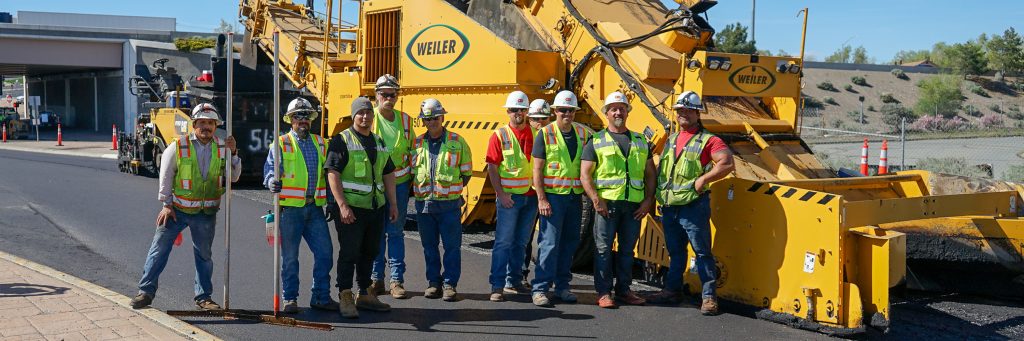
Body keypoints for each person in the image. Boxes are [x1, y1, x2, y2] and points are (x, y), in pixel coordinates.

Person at [131, 103, 240, 310]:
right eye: (202, 123)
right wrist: (166, 204)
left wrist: (234, 154)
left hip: (206, 213)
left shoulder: (223, 147)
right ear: (194, 124)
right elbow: (166, 175)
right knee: (159, 250)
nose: (206, 127)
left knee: (204, 256)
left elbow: (233, 176)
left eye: (210, 123)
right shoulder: (178, 146)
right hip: (176, 210)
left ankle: (204, 297)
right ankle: (145, 292)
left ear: (215, 125)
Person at [645, 91, 734, 315]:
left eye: (687, 110)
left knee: (702, 252)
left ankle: (709, 298)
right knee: (675, 252)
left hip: (693, 206)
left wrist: (703, 179)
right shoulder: (672, 139)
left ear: (697, 113)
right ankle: (673, 290)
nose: (683, 114)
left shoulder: (710, 140)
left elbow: (726, 163)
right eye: (679, 110)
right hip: (670, 205)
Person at [324, 97, 399, 318]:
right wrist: (342, 205)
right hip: (351, 210)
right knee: (349, 252)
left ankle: (365, 292)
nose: (365, 117)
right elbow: (332, 173)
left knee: (370, 251)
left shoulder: (378, 141)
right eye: (360, 113)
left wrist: (393, 204)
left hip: (375, 208)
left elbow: (388, 172)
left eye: (368, 113)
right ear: (353, 115)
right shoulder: (342, 140)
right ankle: (345, 294)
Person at [580, 91, 655, 309]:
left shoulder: (641, 140)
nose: (618, 111)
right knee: (603, 249)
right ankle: (604, 292)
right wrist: (596, 199)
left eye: (622, 108)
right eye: (613, 108)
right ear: (606, 113)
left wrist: (648, 200)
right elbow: (585, 174)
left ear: (627, 112)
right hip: (607, 205)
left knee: (627, 249)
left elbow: (650, 173)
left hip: (633, 205)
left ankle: (624, 290)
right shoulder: (596, 140)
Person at [263, 98, 337, 314]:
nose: (303, 120)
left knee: (325, 253)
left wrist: (331, 201)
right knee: (290, 257)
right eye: (298, 116)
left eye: (306, 116)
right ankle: (290, 298)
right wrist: (271, 182)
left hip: (315, 209)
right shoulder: (281, 143)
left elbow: (329, 174)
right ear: (290, 119)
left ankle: (321, 296)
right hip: (290, 211)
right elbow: (269, 170)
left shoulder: (320, 143)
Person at [530, 90, 593, 307]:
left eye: (571, 110)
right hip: (553, 198)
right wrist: (542, 199)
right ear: (555, 111)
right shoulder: (545, 134)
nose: (567, 114)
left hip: (574, 198)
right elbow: (536, 169)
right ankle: (540, 288)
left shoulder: (583, 134)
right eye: (563, 110)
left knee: (569, 244)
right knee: (548, 244)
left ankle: (562, 286)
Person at [410, 98, 473, 302]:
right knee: (429, 247)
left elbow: (466, 173)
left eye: (435, 118)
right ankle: (433, 283)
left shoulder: (457, 141)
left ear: (442, 117)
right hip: (424, 205)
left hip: (449, 206)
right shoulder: (417, 143)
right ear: (424, 121)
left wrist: (448, 190)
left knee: (452, 247)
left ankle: (450, 284)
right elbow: (410, 171)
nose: (432, 122)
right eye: (427, 119)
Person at [485, 91, 539, 302]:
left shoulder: (536, 134)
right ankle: (497, 285)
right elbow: (492, 167)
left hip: (531, 196)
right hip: (510, 198)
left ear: (527, 112)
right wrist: (501, 194)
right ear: (507, 112)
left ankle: (514, 281)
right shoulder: (499, 135)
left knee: (521, 242)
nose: (518, 113)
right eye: (514, 110)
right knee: (503, 242)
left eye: (522, 110)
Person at [368, 74, 414, 299]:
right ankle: (377, 279)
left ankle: (396, 280)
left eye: (392, 94)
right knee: (376, 232)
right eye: (384, 94)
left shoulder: (406, 121)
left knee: (395, 232)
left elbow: (414, 152)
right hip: (376, 185)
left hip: (400, 184)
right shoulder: (369, 119)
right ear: (376, 95)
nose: (388, 98)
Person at [520, 98, 551, 288]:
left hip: (550, 194)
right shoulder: (526, 137)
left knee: (548, 239)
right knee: (525, 237)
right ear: (529, 118)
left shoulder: (552, 136)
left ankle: (546, 277)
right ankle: (521, 274)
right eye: (536, 118)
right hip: (529, 194)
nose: (540, 122)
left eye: (544, 118)